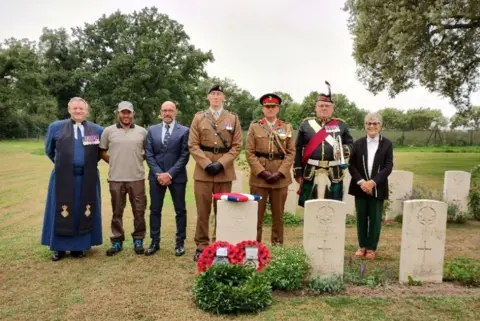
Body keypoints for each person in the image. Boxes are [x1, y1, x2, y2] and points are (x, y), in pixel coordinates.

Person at [41, 97, 104, 261]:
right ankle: (59, 248)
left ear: (86, 111)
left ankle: (79, 247)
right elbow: (49, 150)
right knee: (61, 210)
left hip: (86, 178)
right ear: (69, 110)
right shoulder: (57, 127)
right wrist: (63, 165)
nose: (78, 111)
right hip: (63, 177)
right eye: (75, 108)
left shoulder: (95, 130)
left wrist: (85, 165)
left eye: (81, 109)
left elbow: (97, 153)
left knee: (81, 210)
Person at [188, 84, 243, 261]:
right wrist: (206, 164)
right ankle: (202, 245)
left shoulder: (233, 118)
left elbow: (237, 146)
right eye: (213, 94)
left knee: (223, 210)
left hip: (224, 171)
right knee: (203, 211)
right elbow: (193, 145)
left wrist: (221, 163)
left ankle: (221, 243)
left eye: (219, 94)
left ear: (224, 98)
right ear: (208, 98)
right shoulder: (198, 118)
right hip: (203, 172)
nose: (216, 97)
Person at [293, 81, 354, 206]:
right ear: (316, 108)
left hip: (335, 171)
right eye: (321, 105)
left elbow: (352, 145)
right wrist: (298, 171)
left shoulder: (341, 125)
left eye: (327, 106)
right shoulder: (306, 125)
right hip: (310, 171)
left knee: (334, 206)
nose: (324, 108)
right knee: (310, 205)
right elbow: (298, 149)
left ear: (332, 108)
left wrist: (343, 150)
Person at [99, 101, 148, 256]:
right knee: (117, 211)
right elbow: (102, 151)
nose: (126, 115)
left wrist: (138, 161)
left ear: (133, 113)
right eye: (123, 112)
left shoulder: (142, 132)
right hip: (116, 178)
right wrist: (113, 161)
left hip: (137, 178)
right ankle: (117, 240)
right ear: (118, 113)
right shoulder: (108, 131)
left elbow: (148, 152)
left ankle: (138, 239)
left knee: (139, 211)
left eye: (128, 112)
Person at [245, 93, 295, 245]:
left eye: (273, 107)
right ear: (263, 109)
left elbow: (291, 152)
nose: (270, 109)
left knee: (278, 216)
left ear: (278, 109)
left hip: (280, 177)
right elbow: (249, 152)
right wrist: (262, 172)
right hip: (260, 177)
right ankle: (255, 246)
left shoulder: (286, 127)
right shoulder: (255, 127)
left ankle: (278, 245)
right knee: (256, 215)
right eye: (267, 107)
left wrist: (280, 172)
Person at [144, 101, 190, 256]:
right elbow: (149, 154)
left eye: (170, 110)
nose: (167, 113)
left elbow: (185, 155)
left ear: (175, 112)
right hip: (156, 177)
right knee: (155, 210)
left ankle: (179, 243)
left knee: (180, 210)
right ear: (160, 112)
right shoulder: (152, 130)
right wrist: (159, 174)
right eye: (164, 110)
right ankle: (154, 241)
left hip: (177, 177)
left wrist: (169, 174)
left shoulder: (184, 131)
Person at [348, 112, 393, 259]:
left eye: (375, 123)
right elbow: (352, 165)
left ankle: (372, 248)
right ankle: (362, 246)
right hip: (360, 186)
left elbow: (388, 166)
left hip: (377, 187)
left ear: (380, 126)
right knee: (361, 217)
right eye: (369, 123)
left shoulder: (387, 144)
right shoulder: (358, 143)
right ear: (365, 125)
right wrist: (362, 182)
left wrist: (373, 182)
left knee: (374, 218)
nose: (372, 126)